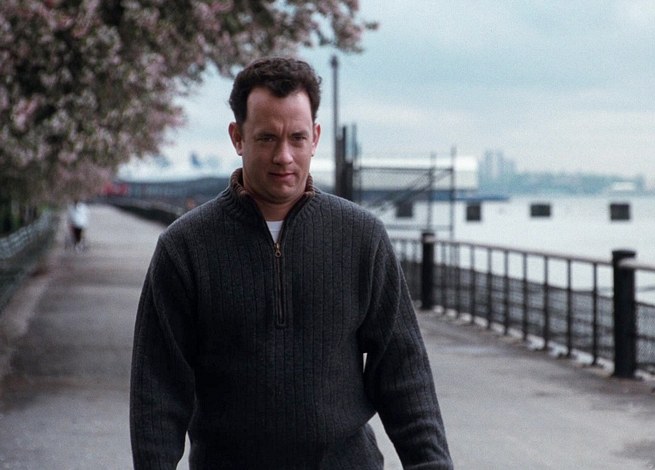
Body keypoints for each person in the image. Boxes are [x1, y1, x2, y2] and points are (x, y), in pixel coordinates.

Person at [130, 57, 453, 469]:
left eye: (297, 138)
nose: (284, 156)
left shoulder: (362, 238)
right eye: (267, 138)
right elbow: (157, 391)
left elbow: (403, 372)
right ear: (237, 137)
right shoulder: (185, 247)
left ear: (315, 137)